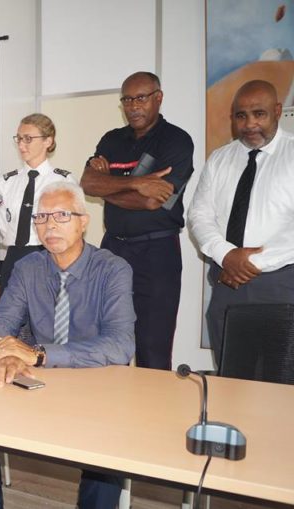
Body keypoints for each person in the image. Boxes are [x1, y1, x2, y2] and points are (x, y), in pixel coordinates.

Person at [0, 182, 135, 509]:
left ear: (84, 222)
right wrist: (8, 354)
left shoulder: (112, 269)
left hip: (95, 384)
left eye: (61, 215)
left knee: (107, 451)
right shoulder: (29, 268)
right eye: (41, 217)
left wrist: (38, 355)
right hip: (35, 381)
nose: (49, 225)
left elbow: (120, 344)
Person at [80, 71, 194, 371]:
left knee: (152, 348)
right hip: (113, 248)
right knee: (105, 340)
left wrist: (109, 185)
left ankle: (153, 403)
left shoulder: (176, 141)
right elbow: (88, 184)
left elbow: (154, 202)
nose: (133, 106)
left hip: (157, 253)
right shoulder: (111, 139)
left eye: (141, 98)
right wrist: (137, 183)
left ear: (158, 98)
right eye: (127, 100)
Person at [187, 80, 294, 361]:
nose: (249, 124)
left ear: (277, 111)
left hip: (280, 286)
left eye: (259, 114)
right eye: (241, 116)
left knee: (278, 376)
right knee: (230, 374)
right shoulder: (219, 159)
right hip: (227, 285)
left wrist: (246, 263)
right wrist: (226, 255)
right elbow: (199, 214)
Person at [0, 113, 74, 294]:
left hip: (48, 255)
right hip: (14, 256)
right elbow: (4, 224)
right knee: (9, 310)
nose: (21, 145)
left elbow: (69, 227)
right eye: (19, 138)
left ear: (48, 141)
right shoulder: (7, 181)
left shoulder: (63, 181)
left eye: (28, 139)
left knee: (46, 310)